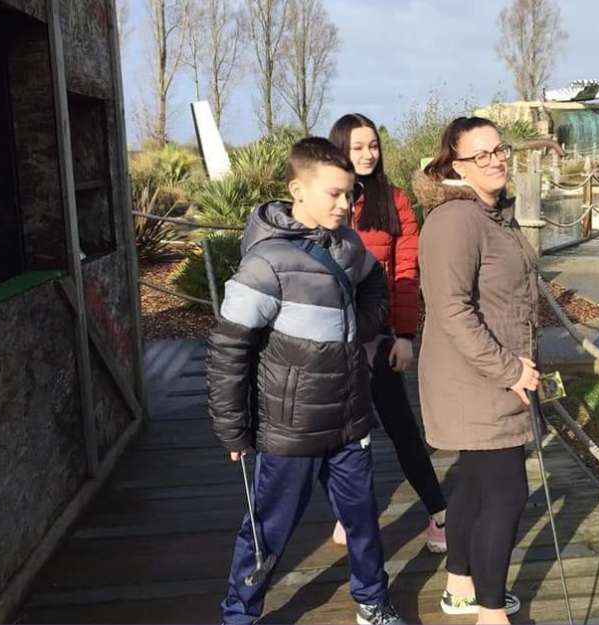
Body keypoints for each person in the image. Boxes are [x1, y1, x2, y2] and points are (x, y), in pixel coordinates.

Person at [207, 137, 407, 625]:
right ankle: (239, 615)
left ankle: (372, 603)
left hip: (350, 419)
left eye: (349, 195)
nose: (345, 205)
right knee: (267, 531)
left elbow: (376, 282)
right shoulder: (266, 262)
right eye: (334, 194)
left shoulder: (349, 244)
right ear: (297, 189)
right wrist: (233, 427)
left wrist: (361, 326)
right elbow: (229, 346)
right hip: (288, 429)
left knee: (362, 522)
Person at [412, 117, 541, 625]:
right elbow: (451, 310)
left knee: (474, 485)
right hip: (478, 380)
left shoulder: (492, 213)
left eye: (499, 149)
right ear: (454, 165)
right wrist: (509, 369)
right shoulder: (455, 220)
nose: (496, 159)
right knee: (508, 493)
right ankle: (491, 614)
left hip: (494, 373)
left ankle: (462, 587)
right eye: (480, 154)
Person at [327, 113, 449, 554]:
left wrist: (403, 335)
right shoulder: (330, 200)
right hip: (331, 341)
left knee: (401, 428)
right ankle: (350, 511)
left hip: (377, 337)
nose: (367, 154)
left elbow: (405, 272)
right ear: (340, 148)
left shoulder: (393, 200)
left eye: (373, 145)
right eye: (357, 146)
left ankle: (438, 512)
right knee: (341, 433)